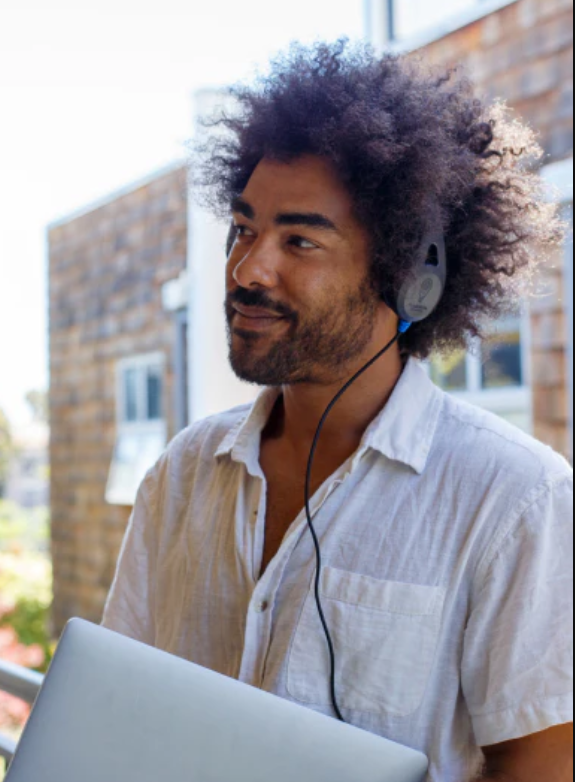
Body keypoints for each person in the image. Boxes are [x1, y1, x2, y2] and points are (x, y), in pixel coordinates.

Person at [102, 41, 573, 781]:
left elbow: (542, 769)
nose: (247, 269)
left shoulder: (516, 499)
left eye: (299, 240)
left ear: (410, 277)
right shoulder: (184, 471)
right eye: (244, 229)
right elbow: (117, 712)